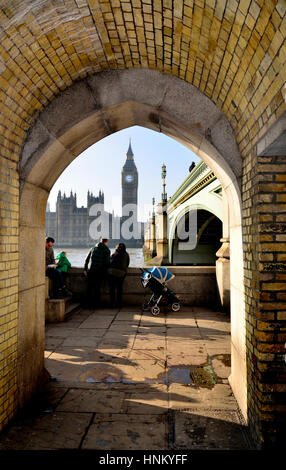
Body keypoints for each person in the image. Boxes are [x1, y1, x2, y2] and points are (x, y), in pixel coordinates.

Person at [83, 238, 111, 308]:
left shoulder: (93, 248)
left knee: (89, 287)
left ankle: (88, 304)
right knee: (97, 288)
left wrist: (85, 269)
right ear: (106, 242)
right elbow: (107, 263)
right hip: (99, 271)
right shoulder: (106, 250)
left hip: (90, 270)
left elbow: (87, 259)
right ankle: (96, 304)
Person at [108, 243, 130, 308]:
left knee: (112, 288)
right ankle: (119, 303)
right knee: (119, 288)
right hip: (121, 273)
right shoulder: (126, 254)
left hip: (112, 272)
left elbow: (109, 261)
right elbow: (127, 264)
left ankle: (112, 303)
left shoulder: (115, 253)